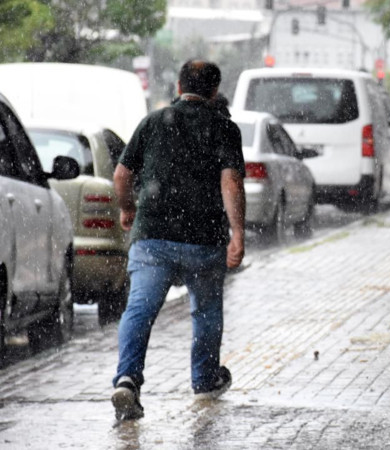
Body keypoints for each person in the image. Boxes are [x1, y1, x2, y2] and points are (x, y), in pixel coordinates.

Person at [110, 59, 246, 421]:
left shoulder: (153, 122)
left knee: (140, 308)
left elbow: (121, 175)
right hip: (204, 239)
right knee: (205, 310)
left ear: (178, 85)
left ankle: (127, 379)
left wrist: (128, 209)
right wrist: (238, 232)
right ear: (214, 91)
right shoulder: (224, 128)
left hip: (152, 235)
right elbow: (231, 183)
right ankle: (204, 380)